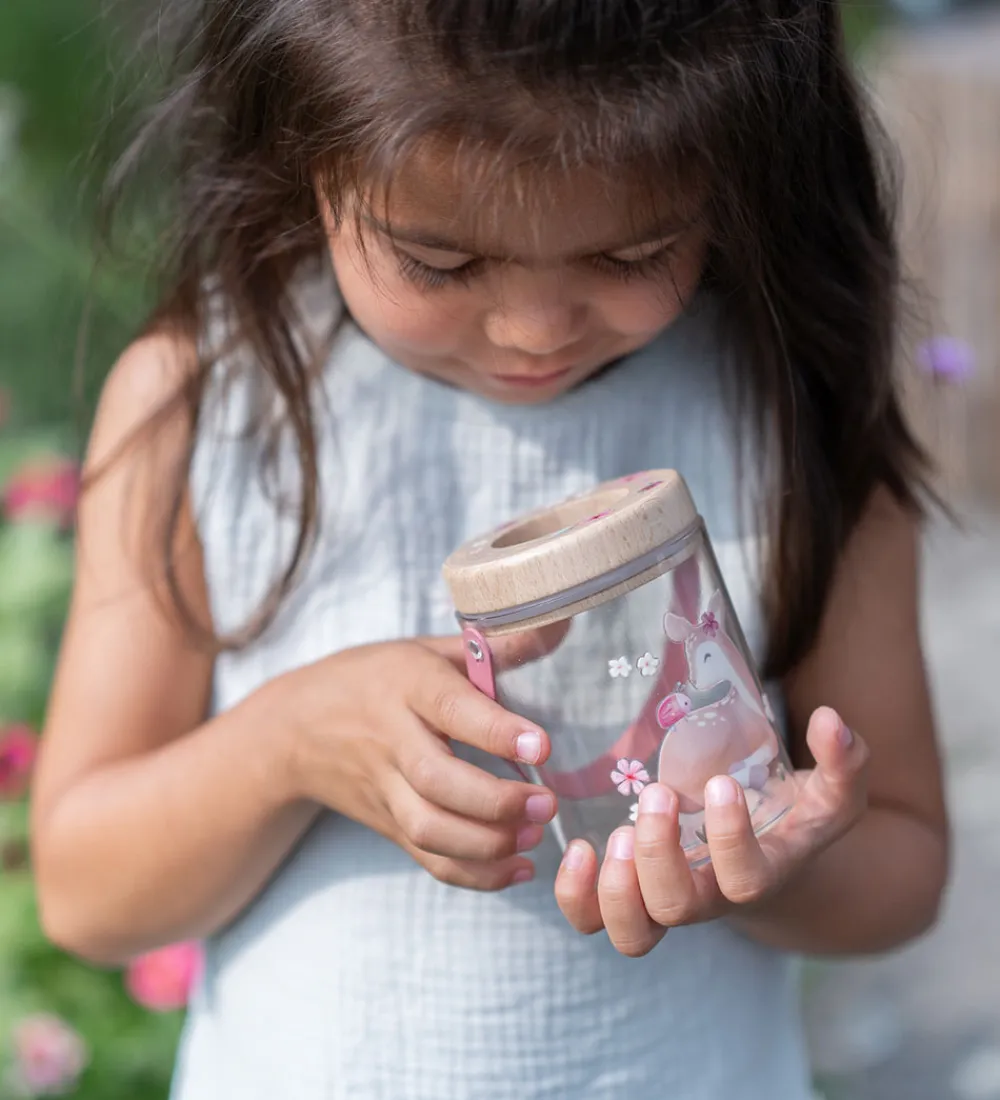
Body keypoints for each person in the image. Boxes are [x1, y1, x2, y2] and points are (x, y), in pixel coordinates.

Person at [30, 1, 950, 1097]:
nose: (533, 327)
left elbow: (904, 863)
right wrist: (286, 743)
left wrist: (768, 862)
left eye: (629, 250)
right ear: (302, 162)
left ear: (738, 180)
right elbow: (88, 893)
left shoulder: (782, 415)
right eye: (439, 261)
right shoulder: (211, 406)